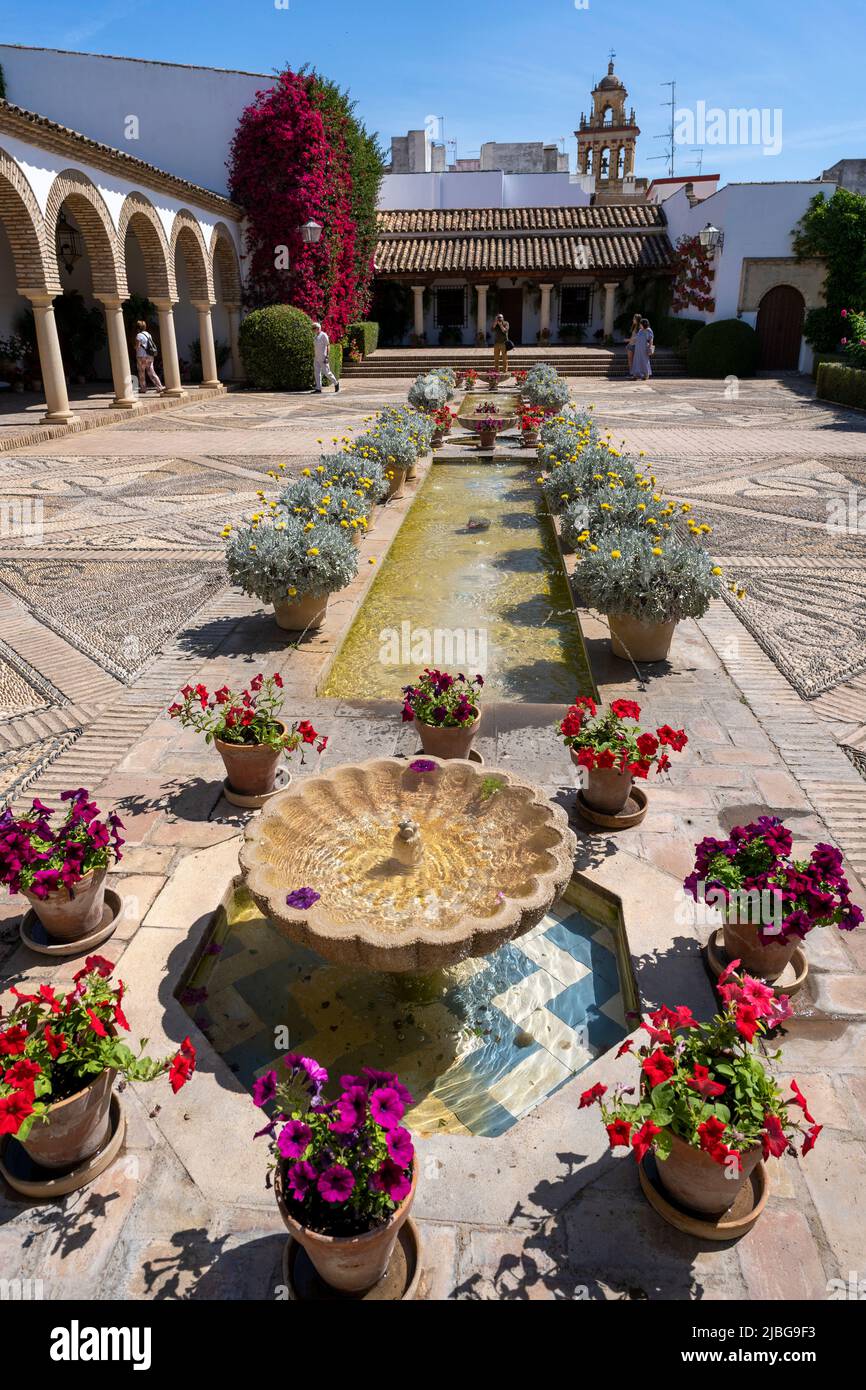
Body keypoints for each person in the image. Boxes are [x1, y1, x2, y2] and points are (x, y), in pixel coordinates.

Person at [134, 319, 163, 394]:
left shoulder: (138, 335)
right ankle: (159, 387)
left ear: (138, 327)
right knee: (151, 371)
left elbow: (138, 346)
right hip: (150, 355)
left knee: (141, 372)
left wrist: (134, 347)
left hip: (141, 356)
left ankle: (143, 388)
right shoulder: (148, 334)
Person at [312, 321, 340, 393]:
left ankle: (336, 383)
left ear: (318, 328)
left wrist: (327, 356)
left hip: (323, 357)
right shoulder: (315, 336)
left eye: (314, 328)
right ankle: (318, 388)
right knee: (317, 373)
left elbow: (328, 345)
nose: (313, 330)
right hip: (316, 357)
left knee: (327, 372)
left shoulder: (323, 335)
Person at [626, 313, 642, 377]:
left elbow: (638, 337)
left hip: (636, 346)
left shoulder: (640, 328)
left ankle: (636, 373)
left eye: (634, 318)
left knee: (635, 360)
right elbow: (632, 336)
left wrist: (628, 340)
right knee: (630, 359)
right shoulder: (633, 326)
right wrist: (629, 342)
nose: (633, 319)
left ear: (637, 319)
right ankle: (631, 373)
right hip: (630, 345)